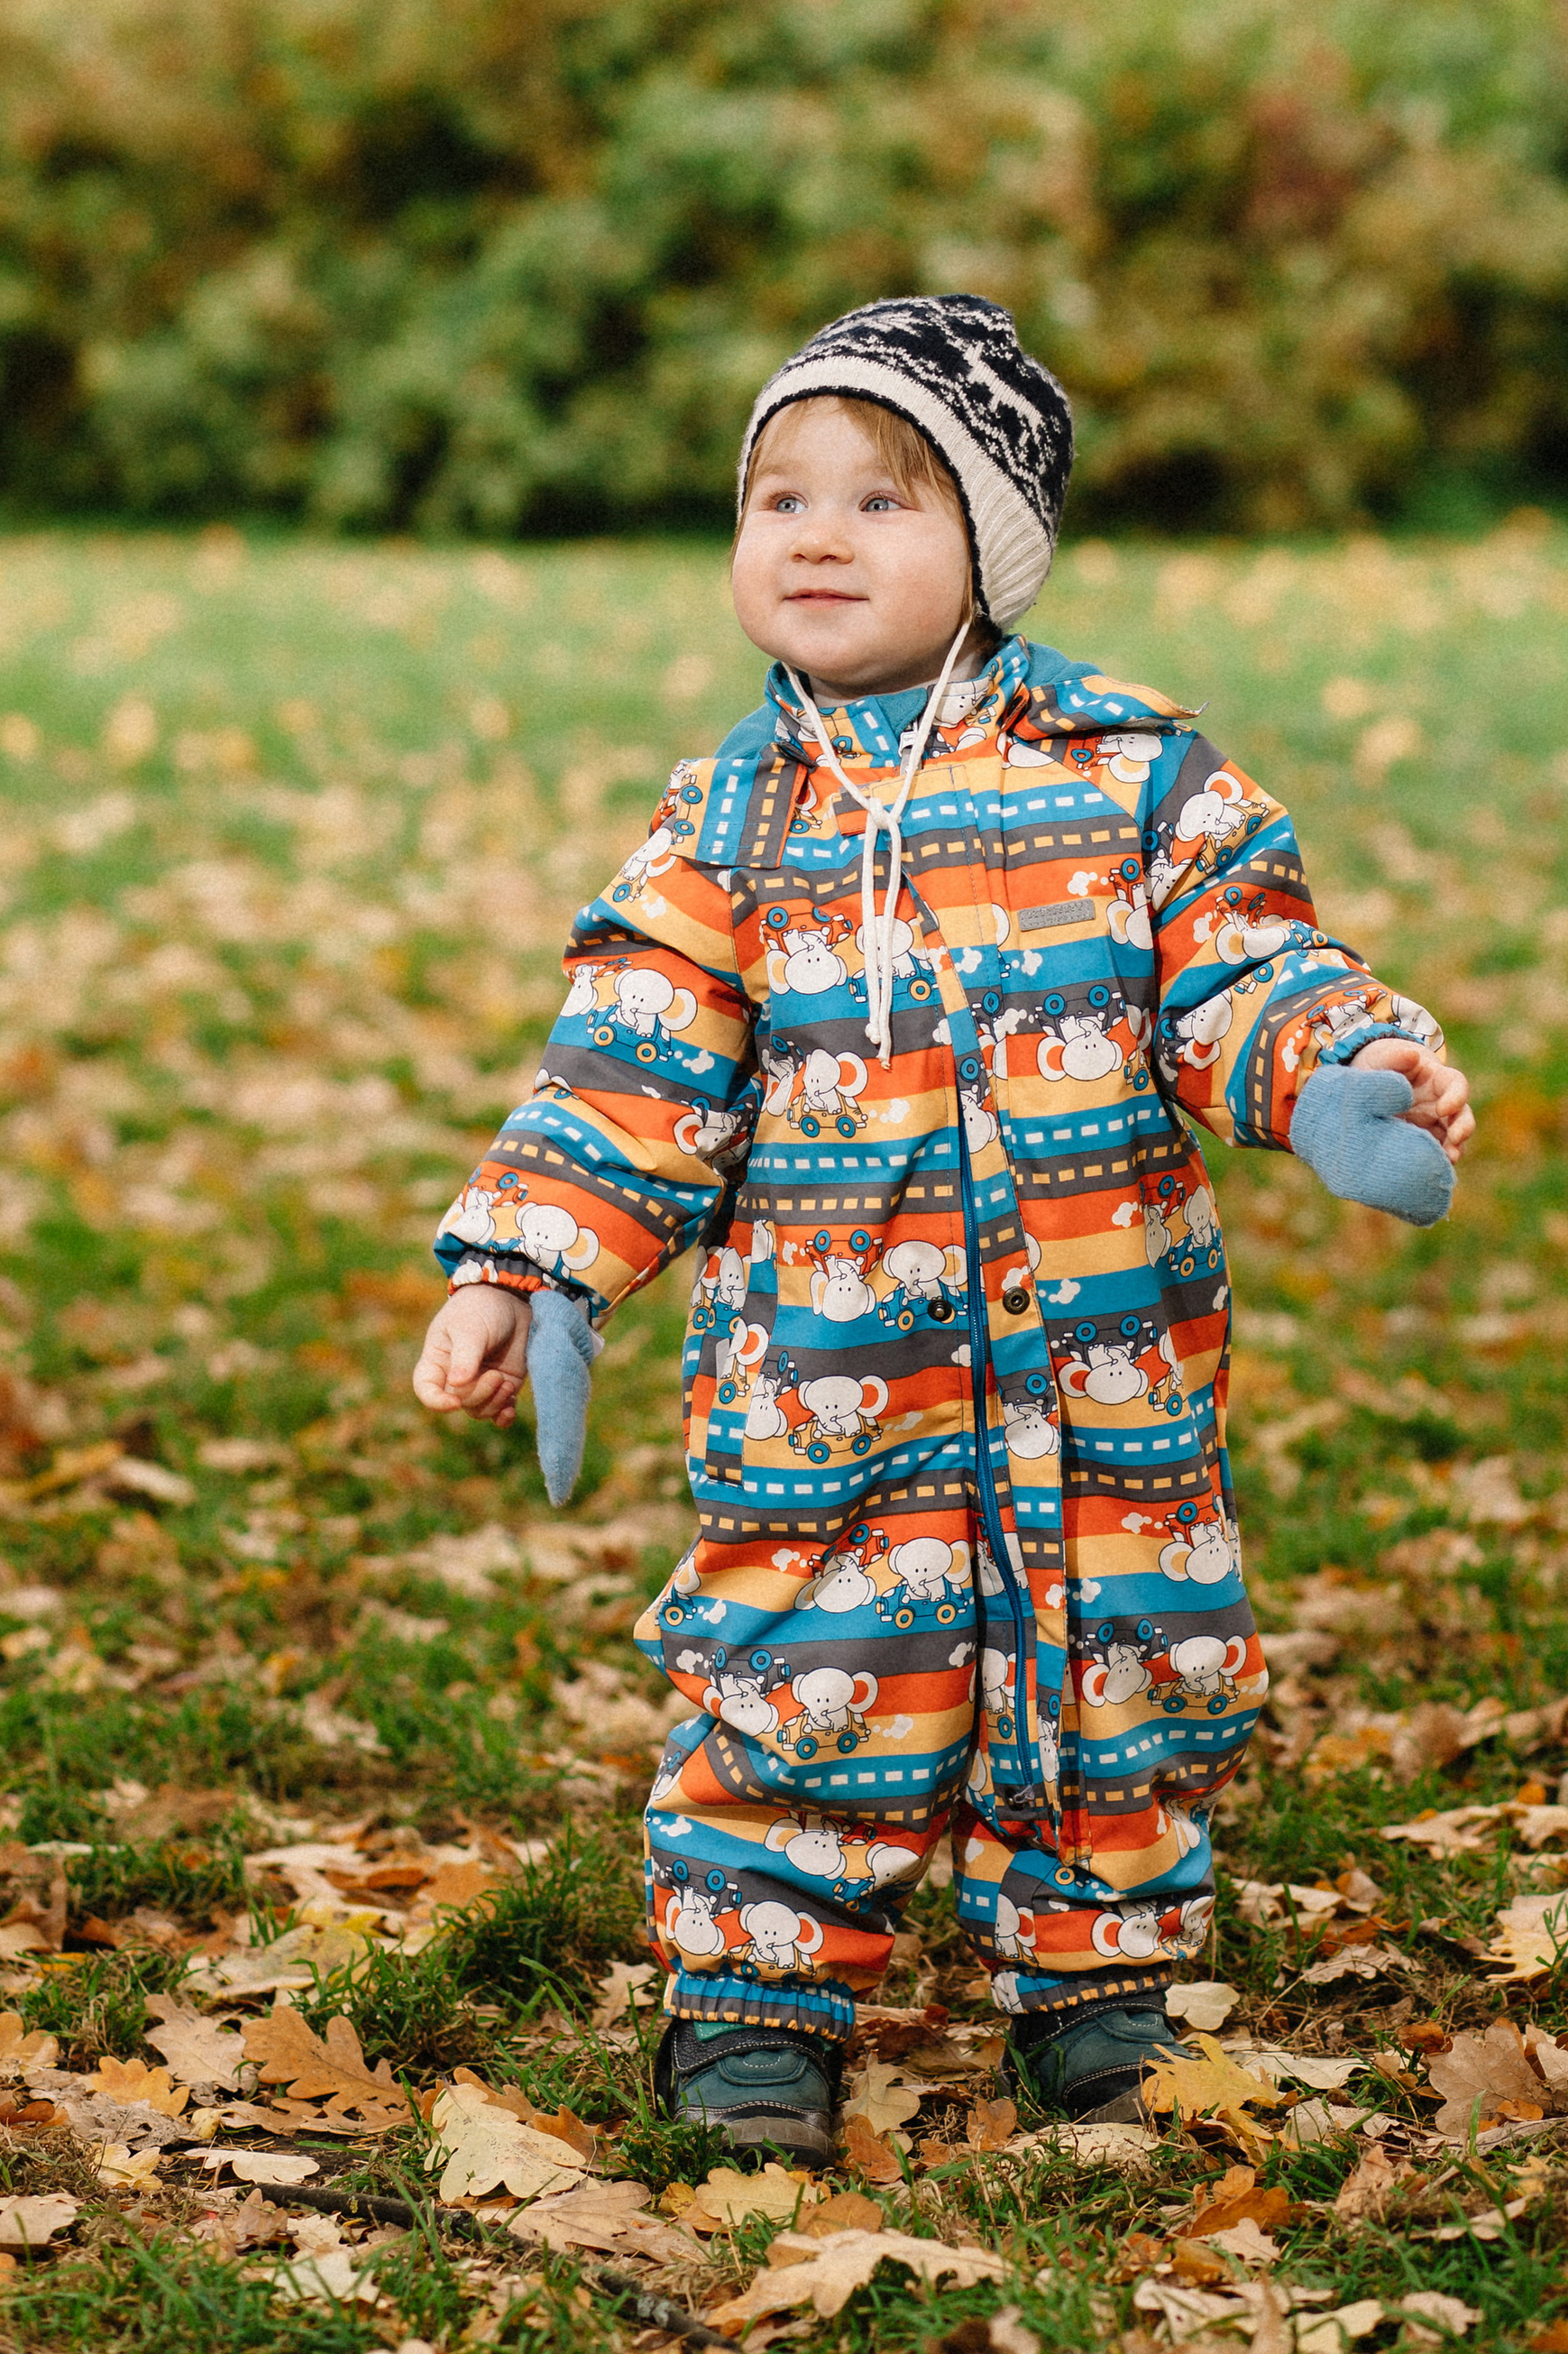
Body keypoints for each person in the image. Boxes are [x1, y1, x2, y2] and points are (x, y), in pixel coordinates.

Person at [414, 293, 1472, 2156]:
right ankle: (754, 1999)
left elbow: (1243, 959)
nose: (814, 532)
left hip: (1101, 1363)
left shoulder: (1131, 771)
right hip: (830, 1384)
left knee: (1112, 1642)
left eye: (880, 500)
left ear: (987, 541)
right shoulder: (723, 819)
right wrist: (533, 1256)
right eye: (777, 495)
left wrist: (1330, 1069)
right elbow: (630, 1050)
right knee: (796, 1657)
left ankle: (1093, 1984)